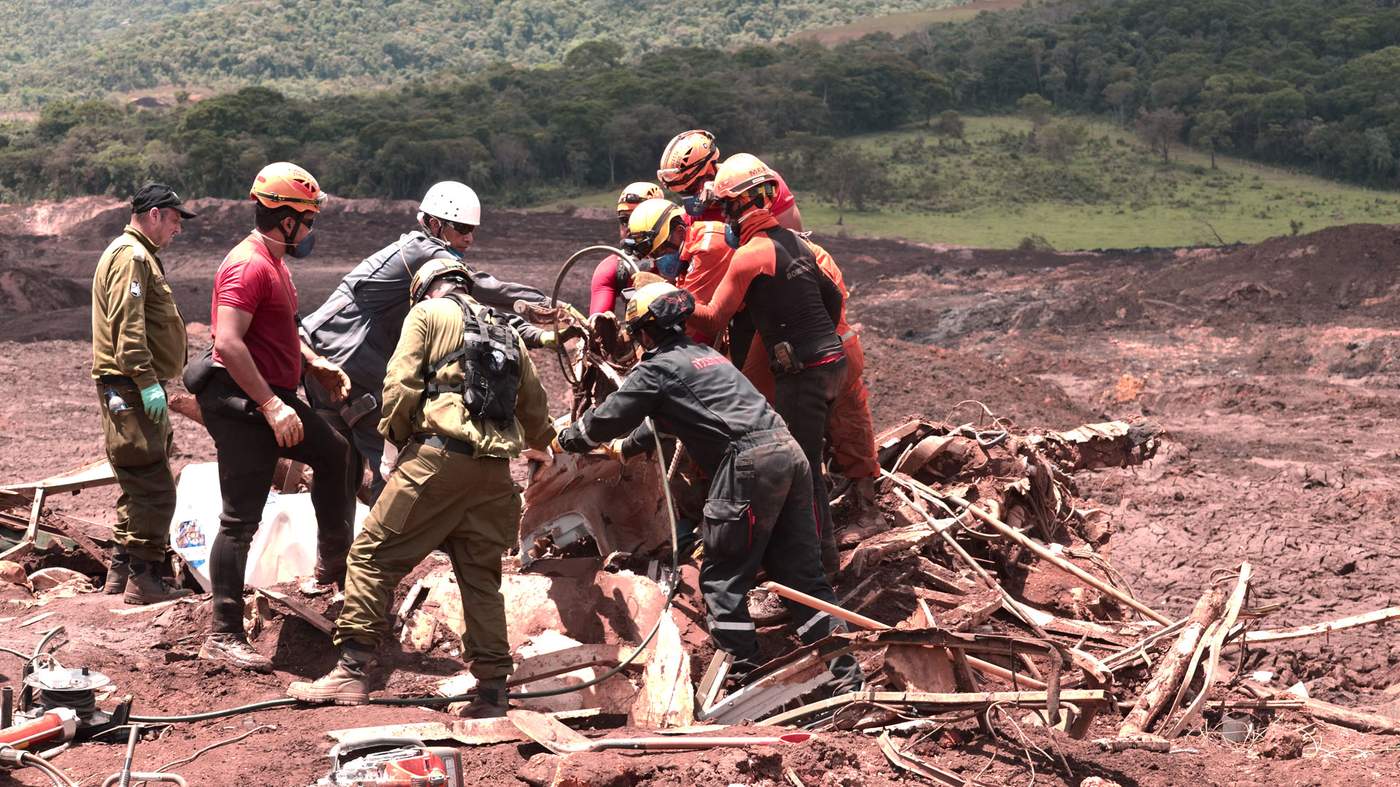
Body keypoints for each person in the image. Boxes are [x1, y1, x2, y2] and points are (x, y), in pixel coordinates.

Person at [554, 281, 861, 691]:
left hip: (748, 464)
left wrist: (567, 440)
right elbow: (664, 421)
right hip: (788, 455)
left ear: (645, 331)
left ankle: (744, 678)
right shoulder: (707, 357)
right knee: (803, 580)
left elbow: (609, 417)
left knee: (722, 576)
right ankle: (847, 677)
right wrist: (624, 450)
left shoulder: (656, 369)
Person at [287, 258, 554, 716]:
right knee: (481, 579)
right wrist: (546, 443)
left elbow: (401, 382)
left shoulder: (427, 314)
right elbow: (534, 409)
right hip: (494, 475)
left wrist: (392, 445)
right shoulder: (507, 332)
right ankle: (493, 690)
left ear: (425, 289)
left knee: (371, 556)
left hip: (437, 460)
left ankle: (351, 672)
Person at [301, 181, 555, 504]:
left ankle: (337, 555)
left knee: (341, 469)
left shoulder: (411, 252)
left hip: (320, 359)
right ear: (435, 224)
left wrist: (534, 332)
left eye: (472, 229)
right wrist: (545, 305)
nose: (469, 238)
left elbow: (472, 307)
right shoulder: (422, 251)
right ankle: (384, 550)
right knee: (395, 463)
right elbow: (479, 289)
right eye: (462, 228)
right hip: (352, 361)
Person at [195, 162, 354, 671]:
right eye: (307, 220)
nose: (311, 230)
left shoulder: (276, 263)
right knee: (240, 519)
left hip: (273, 396)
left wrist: (315, 363)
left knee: (335, 453)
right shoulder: (248, 266)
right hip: (243, 405)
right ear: (286, 220)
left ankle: (332, 569)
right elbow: (227, 343)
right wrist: (272, 404)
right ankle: (223, 632)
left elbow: (279, 331)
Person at [686, 153, 846, 574]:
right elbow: (833, 299)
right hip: (832, 365)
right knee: (806, 462)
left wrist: (670, 298)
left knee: (799, 470)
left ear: (738, 207)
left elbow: (713, 318)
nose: (724, 219)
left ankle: (815, 570)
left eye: (724, 209)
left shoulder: (749, 256)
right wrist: (815, 340)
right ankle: (815, 558)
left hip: (804, 375)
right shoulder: (800, 244)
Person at [91, 183, 198, 605]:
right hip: (131, 386)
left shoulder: (133, 253)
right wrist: (146, 379)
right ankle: (145, 580)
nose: (178, 230)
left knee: (138, 477)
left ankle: (120, 570)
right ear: (154, 214)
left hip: (129, 386)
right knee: (154, 483)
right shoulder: (133, 256)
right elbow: (128, 327)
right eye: (174, 220)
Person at [621, 198, 732, 346]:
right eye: (653, 255)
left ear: (680, 232)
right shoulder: (686, 255)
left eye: (661, 250)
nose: (658, 259)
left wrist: (662, 290)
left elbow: (695, 322)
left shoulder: (707, 247)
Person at [657, 129, 802, 232]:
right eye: (682, 193)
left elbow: (794, 239)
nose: (688, 197)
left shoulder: (760, 182)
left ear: (709, 172)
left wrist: (726, 199)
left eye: (690, 189)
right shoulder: (693, 215)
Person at [589, 182, 664, 316]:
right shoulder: (612, 268)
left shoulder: (684, 258)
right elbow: (598, 324)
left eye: (639, 218)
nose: (630, 227)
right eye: (624, 220)